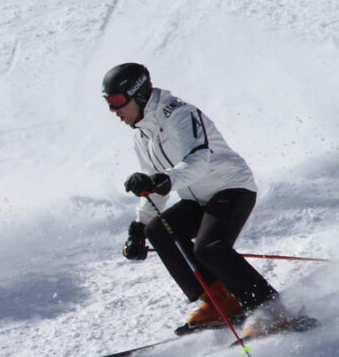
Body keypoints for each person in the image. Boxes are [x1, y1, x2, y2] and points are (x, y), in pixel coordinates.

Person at [103, 62, 300, 338]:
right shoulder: (141, 135)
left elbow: (198, 160)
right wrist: (138, 230)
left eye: (116, 101)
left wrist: (164, 180)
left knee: (209, 247)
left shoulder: (179, 114)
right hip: (198, 197)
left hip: (232, 187)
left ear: (137, 93)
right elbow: (155, 186)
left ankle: (272, 310)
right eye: (108, 103)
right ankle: (220, 299)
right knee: (158, 230)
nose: (114, 111)